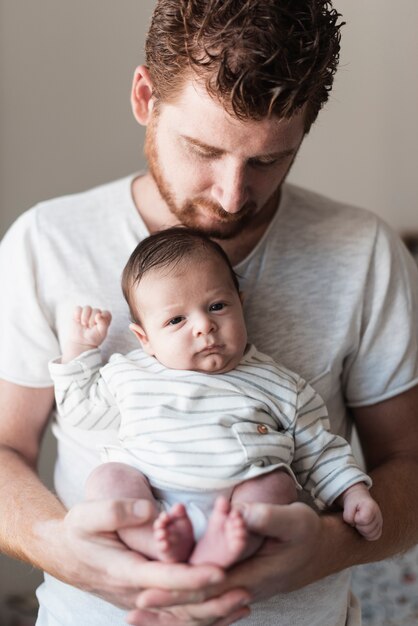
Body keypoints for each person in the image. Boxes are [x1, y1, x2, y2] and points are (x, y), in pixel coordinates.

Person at [0, 1, 418, 625]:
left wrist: (320, 551)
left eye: (269, 160)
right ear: (145, 97)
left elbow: (408, 464)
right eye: (203, 149)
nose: (231, 195)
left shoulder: (364, 251)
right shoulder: (45, 242)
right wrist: (66, 551)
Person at [49, 228, 382, 568]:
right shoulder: (130, 374)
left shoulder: (280, 383)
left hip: (239, 505)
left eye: (217, 306)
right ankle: (154, 543)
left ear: (241, 303)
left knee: (277, 484)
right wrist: (79, 351)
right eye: (176, 319)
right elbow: (81, 410)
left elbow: (318, 448)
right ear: (144, 339)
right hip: (154, 498)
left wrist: (352, 492)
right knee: (107, 480)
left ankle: (223, 547)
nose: (203, 326)